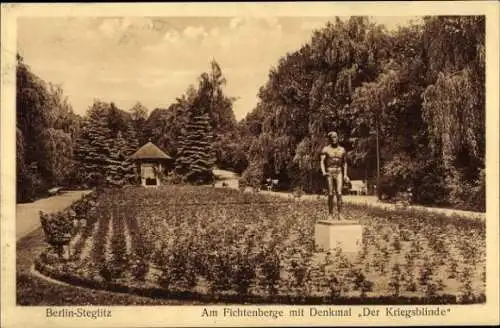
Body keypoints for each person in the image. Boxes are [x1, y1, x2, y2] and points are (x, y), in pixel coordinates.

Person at [320, 131, 350, 220]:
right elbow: (321, 161)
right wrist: (323, 171)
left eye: (335, 137)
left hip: (339, 172)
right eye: (332, 137)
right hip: (329, 172)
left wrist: (345, 175)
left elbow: (345, 163)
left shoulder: (342, 149)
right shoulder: (326, 149)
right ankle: (330, 214)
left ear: (338, 138)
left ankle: (340, 214)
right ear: (329, 139)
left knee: (339, 193)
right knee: (330, 193)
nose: (334, 139)